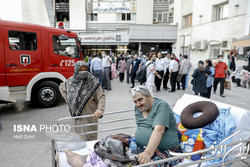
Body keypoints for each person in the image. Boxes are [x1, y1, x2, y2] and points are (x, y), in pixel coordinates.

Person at [130, 86, 180, 165]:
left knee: (141, 165)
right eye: (135, 102)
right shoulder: (139, 108)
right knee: (113, 146)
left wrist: (147, 153)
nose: (138, 104)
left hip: (165, 151)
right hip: (142, 147)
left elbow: (159, 130)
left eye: (140, 100)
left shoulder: (161, 106)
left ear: (149, 96)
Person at [59, 61, 105, 141]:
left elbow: (101, 97)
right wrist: (69, 100)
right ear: (76, 70)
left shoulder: (92, 82)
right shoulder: (69, 82)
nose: (83, 72)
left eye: (85, 69)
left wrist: (100, 110)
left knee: (91, 141)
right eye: (80, 70)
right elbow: (61, 88)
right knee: (79, 141)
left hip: (90, 117)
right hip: (77, 119)